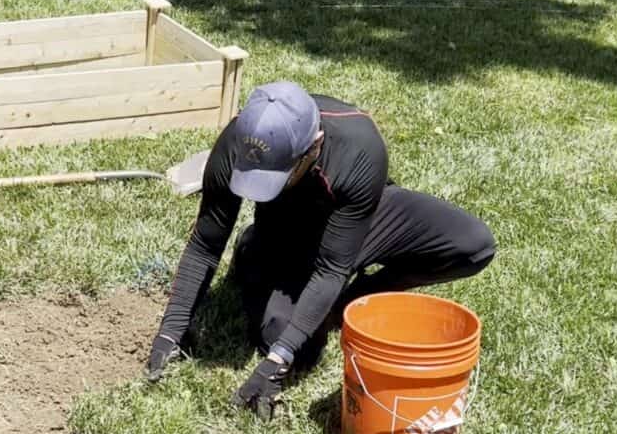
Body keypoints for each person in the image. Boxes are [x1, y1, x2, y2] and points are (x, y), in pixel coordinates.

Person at [145, 81, 495, 417]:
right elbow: (206, 244)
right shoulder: (237, 143)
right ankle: (255, 252)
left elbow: (332, 268)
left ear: (315, 145)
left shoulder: (359, 149)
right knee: (289, 340)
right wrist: (171, 330)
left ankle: (348, 304)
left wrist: (278, 361)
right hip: (285, 235)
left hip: (357, 215)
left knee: (473, 246)